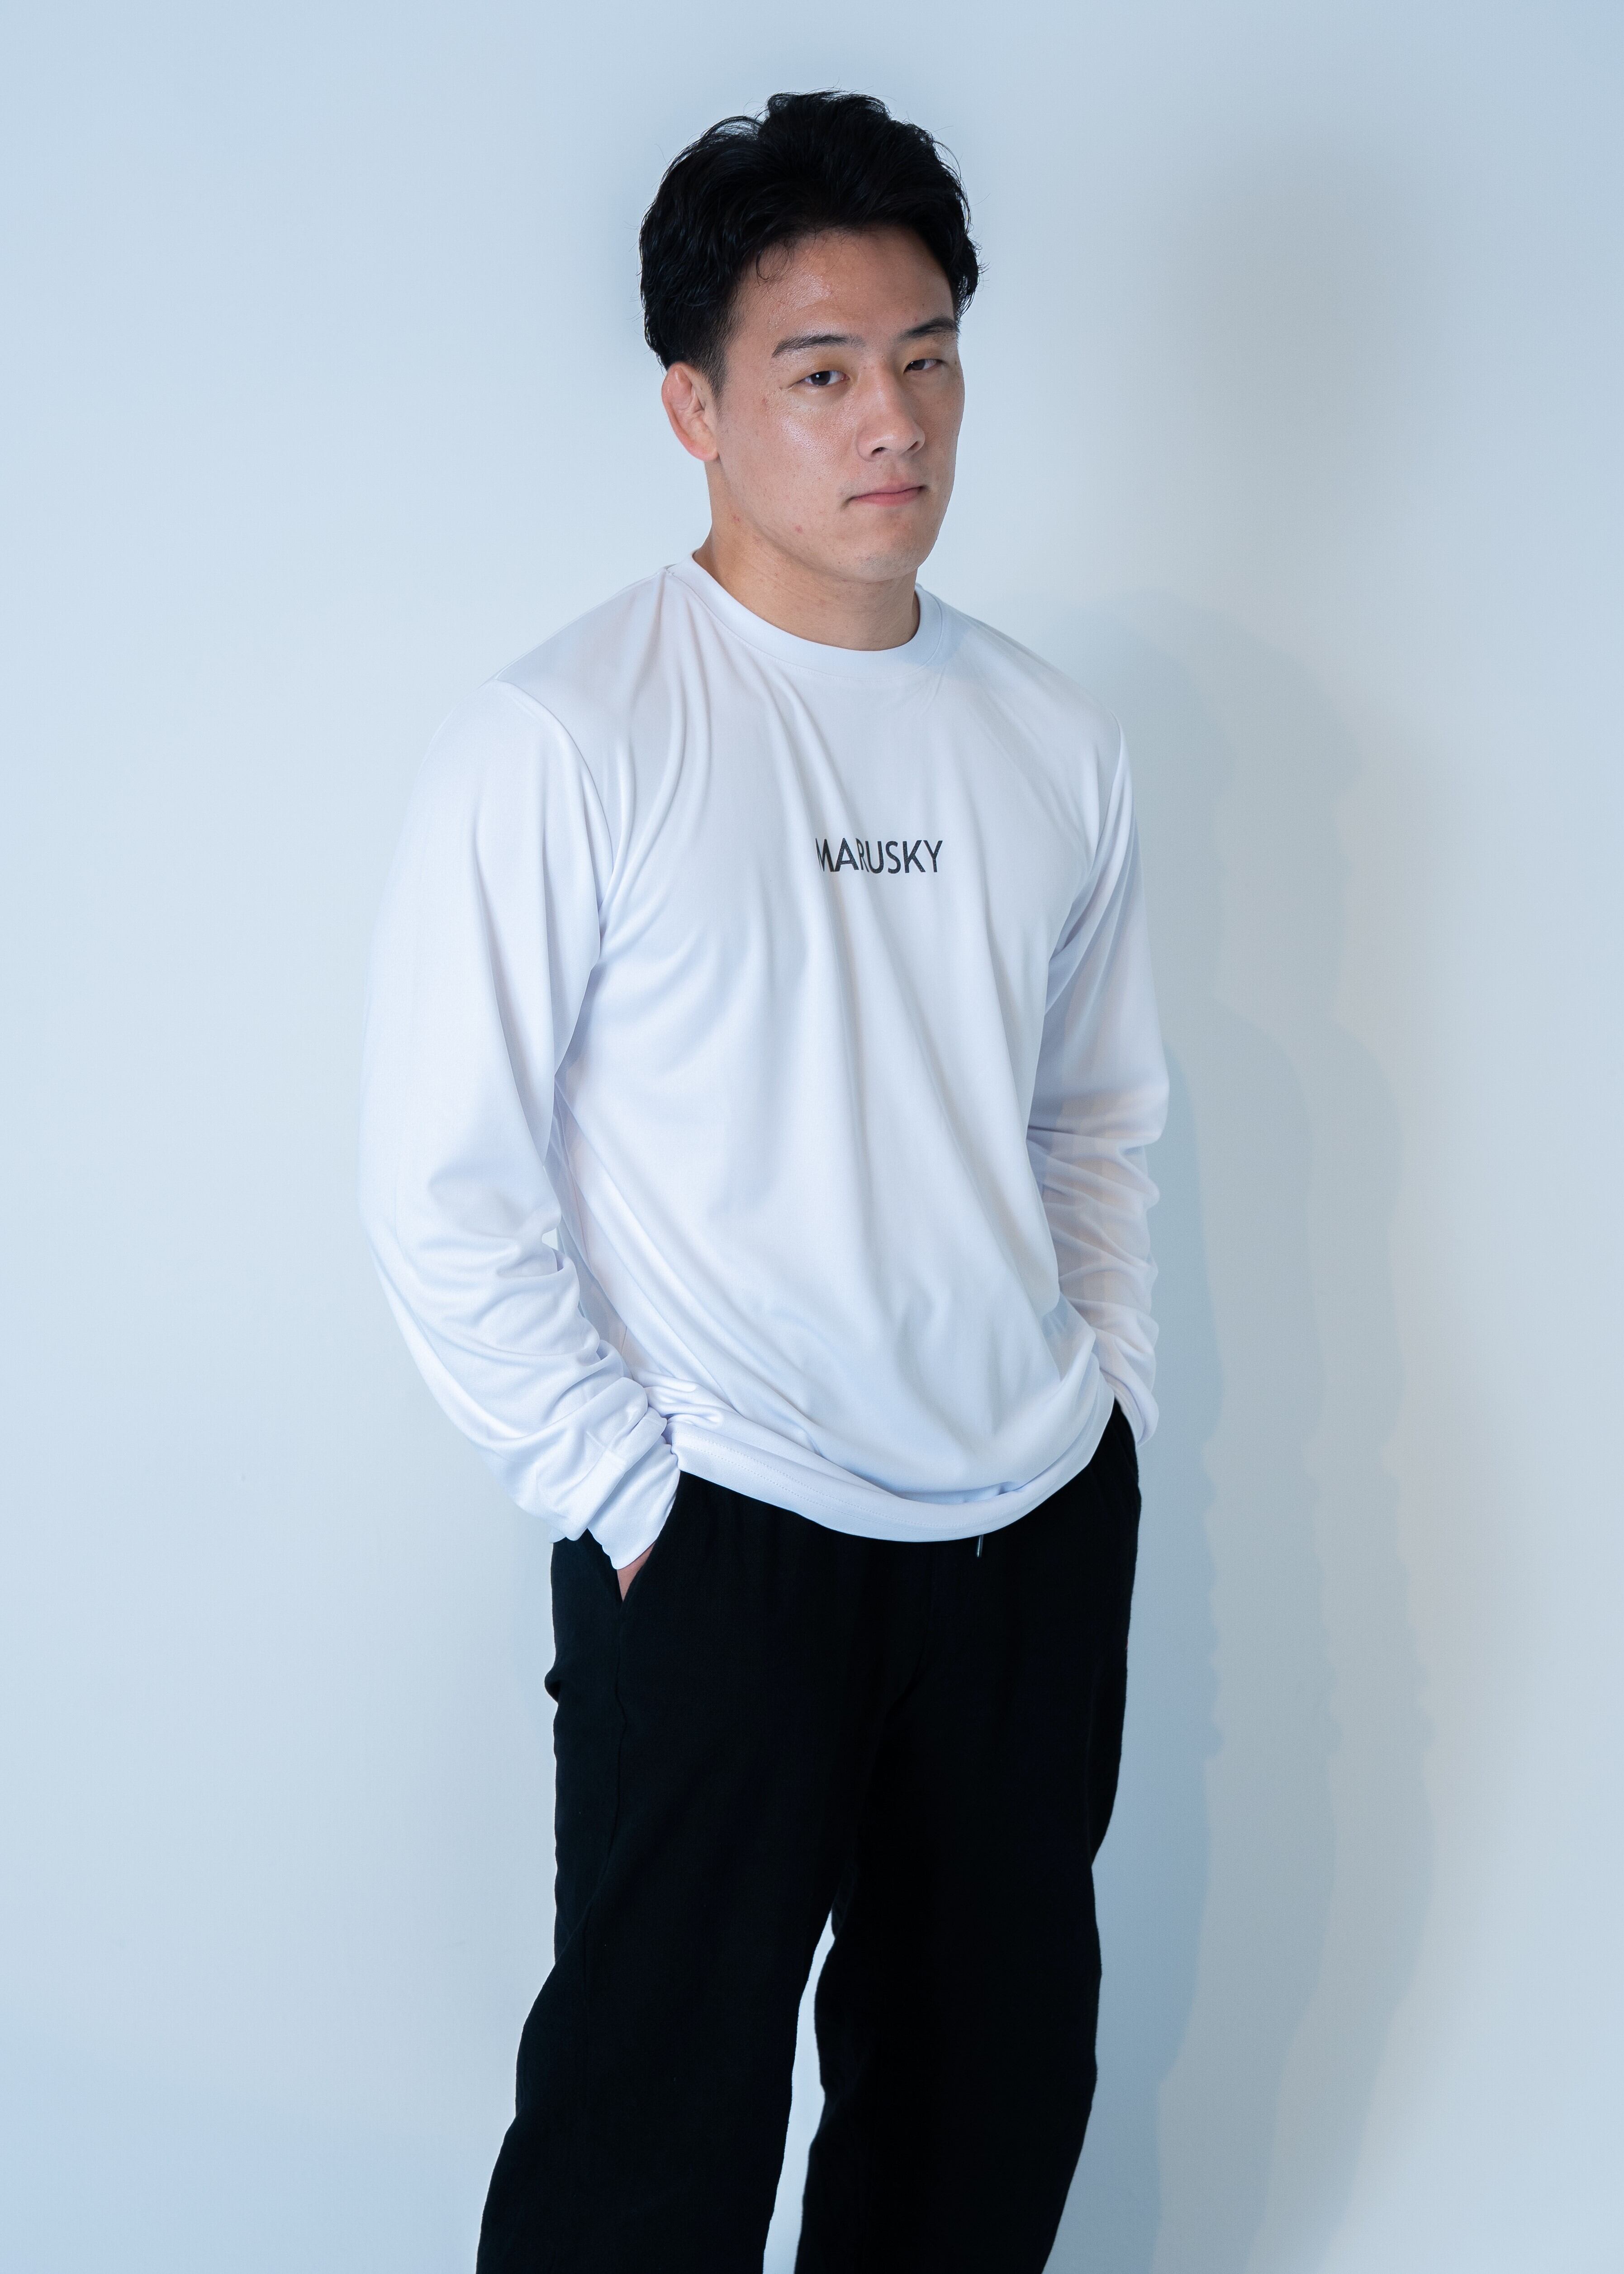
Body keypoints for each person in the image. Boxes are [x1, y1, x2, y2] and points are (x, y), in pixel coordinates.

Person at [359, 88, 1168, 2274]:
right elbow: (445, 1186)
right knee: (648, 2146)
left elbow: (1094, 1119)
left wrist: (1105, 1412)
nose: (892, 419)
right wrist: (631, 1499)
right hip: (722, 1529)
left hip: (1023, 1533)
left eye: (927, 357)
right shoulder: (568, 735)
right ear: (696, 410)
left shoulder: (1054, 743)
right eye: (820, 372)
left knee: (983, 2118)